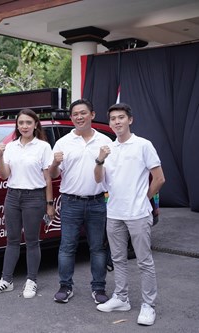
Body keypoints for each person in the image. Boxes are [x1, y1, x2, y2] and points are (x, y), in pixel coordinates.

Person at [94, 103, 165, 326]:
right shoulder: (108, 148)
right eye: (113, 118)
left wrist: (144, 199)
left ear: (130, 120)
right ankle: (121, 298)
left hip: (138, 214)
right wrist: (99, 159)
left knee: (144, 261)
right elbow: (98, 179)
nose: (117, 122)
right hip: (114, 213)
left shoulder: (143, 145)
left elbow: (159, 178)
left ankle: (148, 305)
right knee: (117, 259)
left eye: (121, 117)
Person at [49, 99, 112, 304]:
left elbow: (111, 175)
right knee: (67, 246)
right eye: (75, 114)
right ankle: (65, 287)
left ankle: (99, 288)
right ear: (71, 117)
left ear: (92, 115)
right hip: (70, 202)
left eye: (83, 113)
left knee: (97, 247)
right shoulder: (63, 143)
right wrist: (55, 162)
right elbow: (53, 173)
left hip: (97, 202)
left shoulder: (105, 142)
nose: (79, 117)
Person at [0, 108, 54, 298]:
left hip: (34, 197)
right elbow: (4, 175)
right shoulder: (10, 147)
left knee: (32, 241)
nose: (24, 126)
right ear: (17, 125)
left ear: (35, 125)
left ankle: (31, 281)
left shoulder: (43, 147)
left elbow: (48, 179)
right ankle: (6, 280)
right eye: (21, 123)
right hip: (13, 196)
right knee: (12, 240)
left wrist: (49, 204)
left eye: (28, 123)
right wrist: (0, 155)